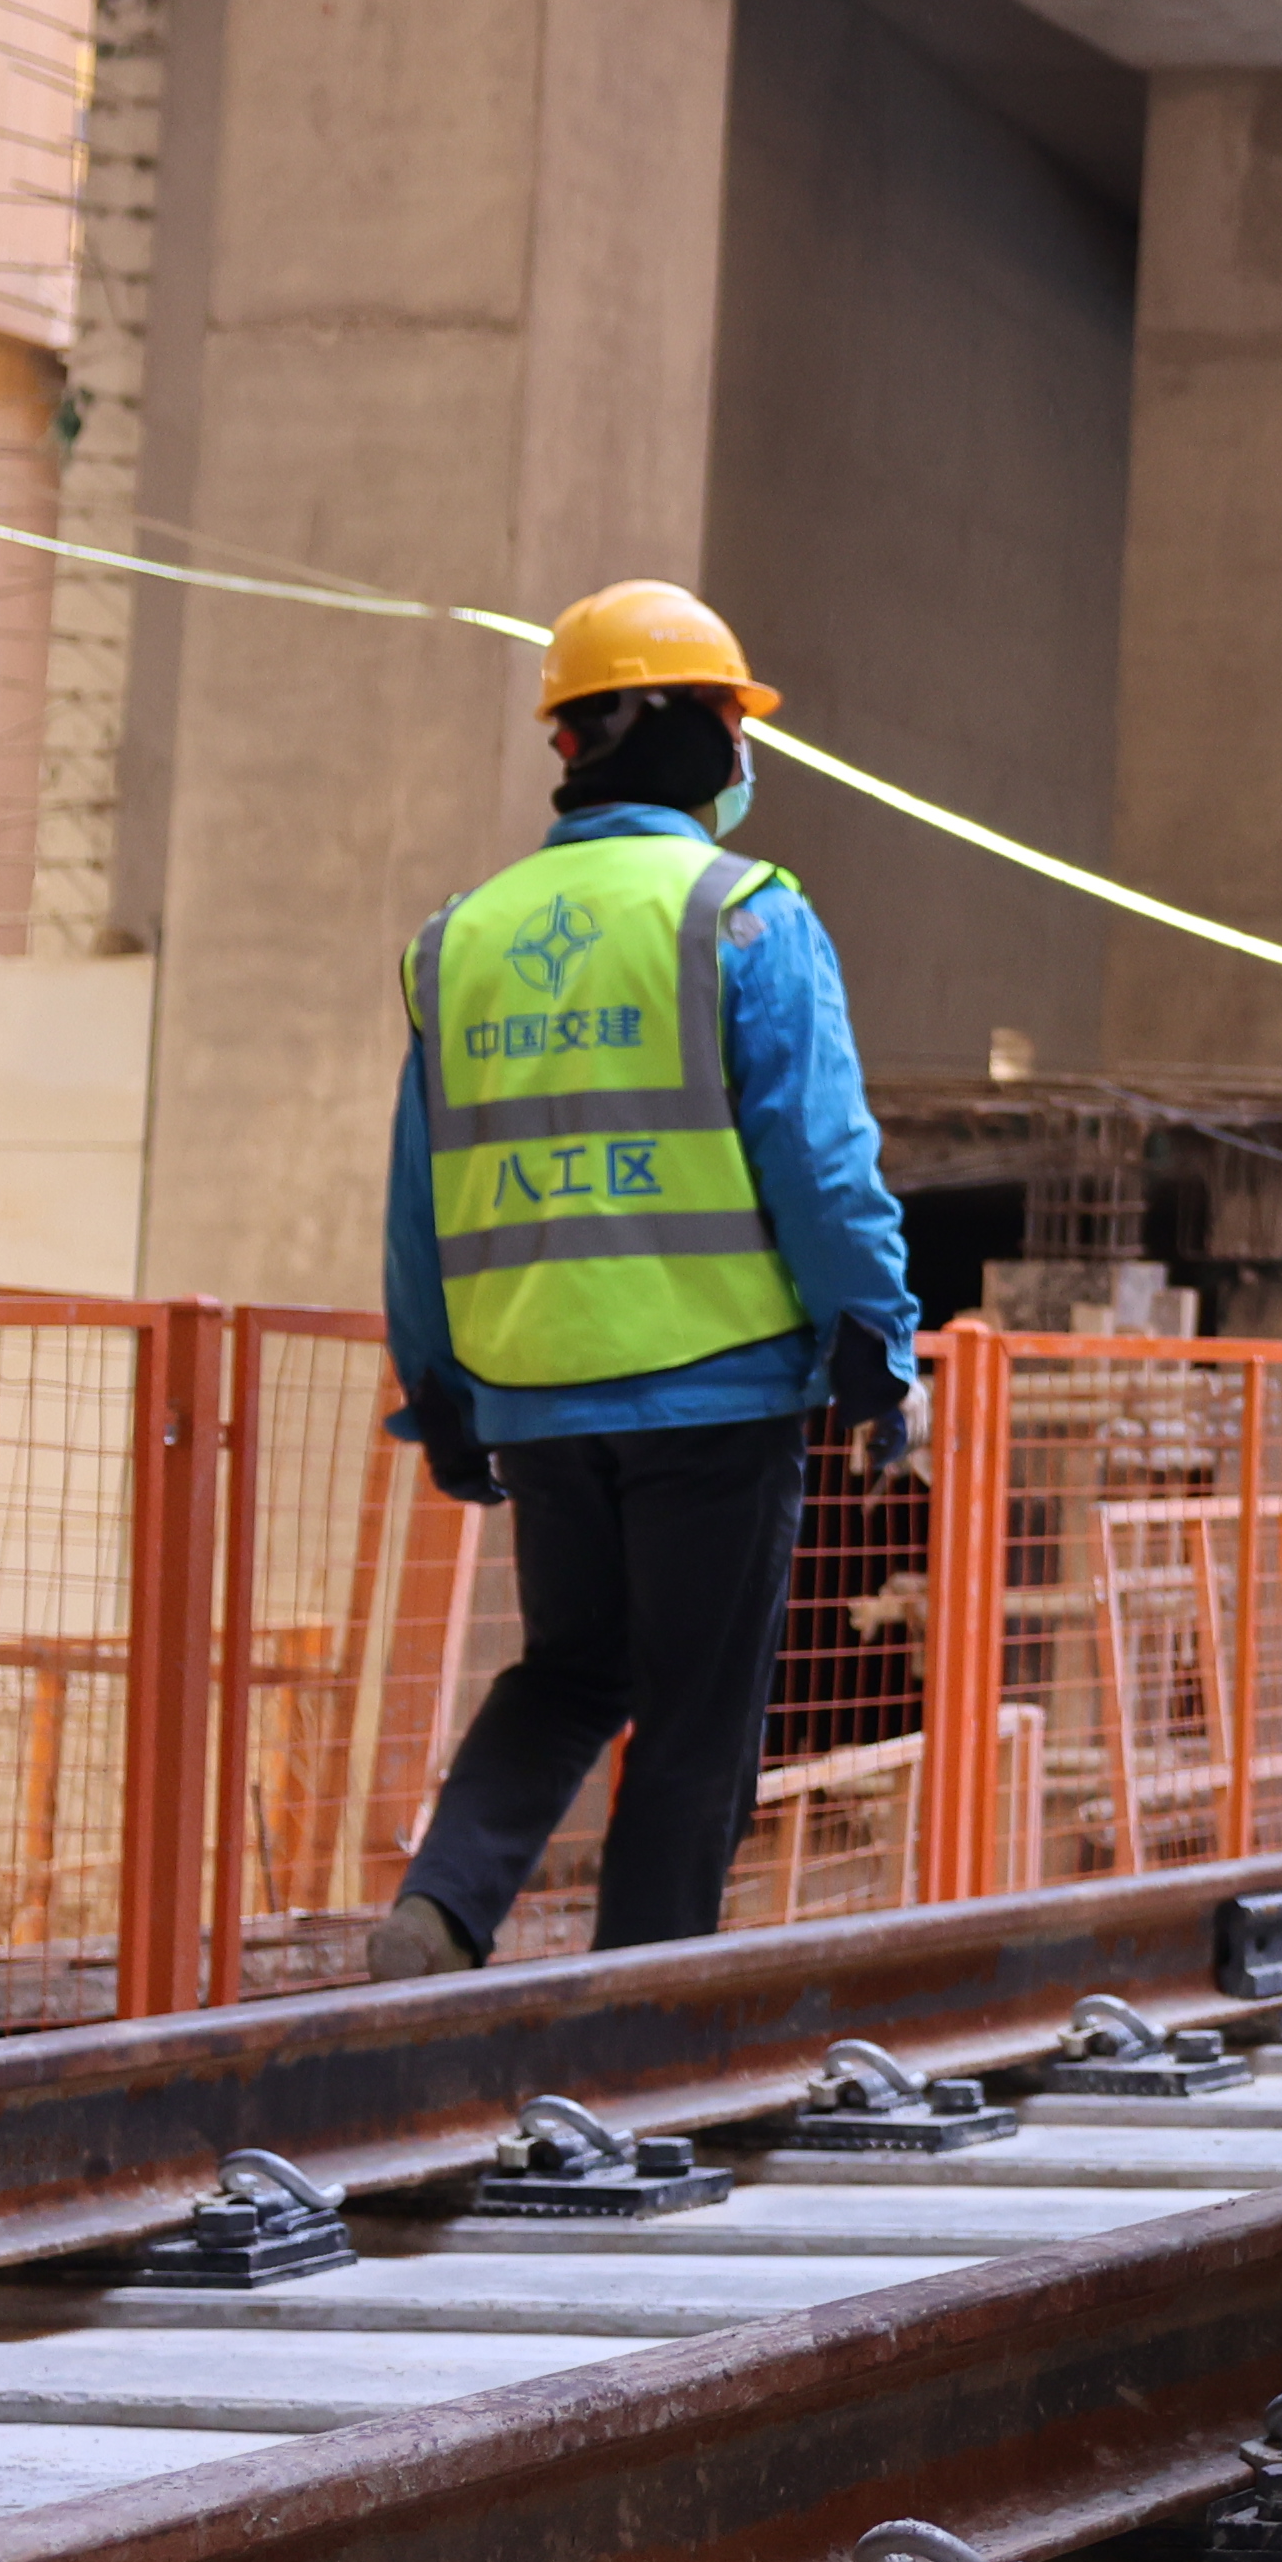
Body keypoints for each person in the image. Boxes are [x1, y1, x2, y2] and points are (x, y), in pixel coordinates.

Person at [368, 582, 926, 1968]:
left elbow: (419, 1197)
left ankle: (443, 1904)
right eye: (735, 721)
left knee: (569, 1670)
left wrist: (438, 1387)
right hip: (714, 1394)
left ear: (575, 742)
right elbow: (820, 1161)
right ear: (680, 729)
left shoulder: (459, 939)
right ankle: (639, 2025)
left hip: (536, 1394)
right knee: (694, 1721)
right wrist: (875, 1340)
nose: (744, 751)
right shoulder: (741, 915)